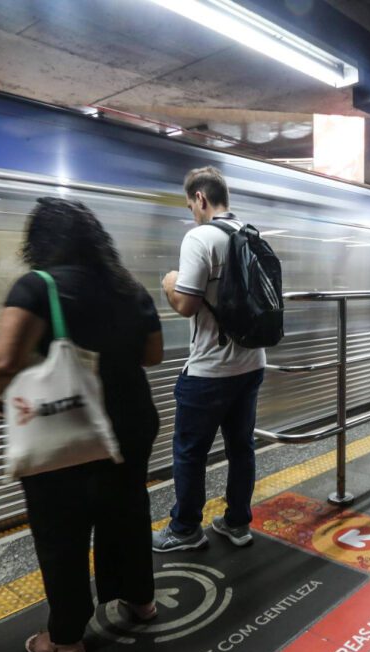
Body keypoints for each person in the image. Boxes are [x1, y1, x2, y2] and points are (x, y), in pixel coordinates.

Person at [0, 198, 163, 652]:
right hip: (131, 425)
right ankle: (141, 601)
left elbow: (3, 360)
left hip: (65, 431)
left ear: (39, 243)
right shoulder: (129, 287)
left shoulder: (37, 287)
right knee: (127, 514)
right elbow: (152, 355)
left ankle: (66, 637)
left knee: (62, 534)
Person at [152, 167, 267, 553]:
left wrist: (169, 283)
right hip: (252, 363)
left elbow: (185, 305)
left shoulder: (198, 237)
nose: (191, 213)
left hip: (210, 371)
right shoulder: (252, 233)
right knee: (241, 447)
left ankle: (186, 528)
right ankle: (237, 522)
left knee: (189, 451)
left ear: (200, 198)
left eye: (190, 205)